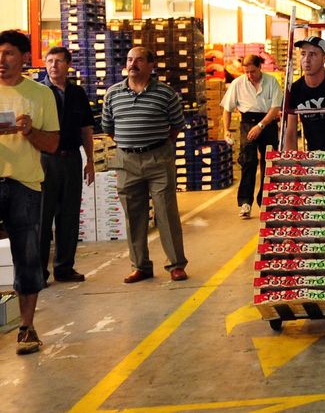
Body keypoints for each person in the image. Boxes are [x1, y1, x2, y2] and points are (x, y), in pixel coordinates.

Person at [102, 47, 187, 284]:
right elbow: (108, 128)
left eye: (139, 60)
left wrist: (159, 146)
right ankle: (140, 265)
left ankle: (176, 264)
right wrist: (130, 145)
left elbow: (176, 125)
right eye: (130, 59)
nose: (133, 64)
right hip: (126, 160)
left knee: (166, 213)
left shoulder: (165, 93)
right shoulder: (113, 94)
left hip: (158, 158)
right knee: (133, 214)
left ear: (151, 65)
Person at [0, 30, 60, 355]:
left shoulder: (40, 95)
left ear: (24, 57)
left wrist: (29, 130)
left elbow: (52, 144)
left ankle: (27, 327)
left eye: (9, 53)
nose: (1, 60)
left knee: (27, 257)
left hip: (24, 185)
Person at [38, 46, 95, 282]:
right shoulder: (38, 92)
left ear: (68, 64)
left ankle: (64, 268)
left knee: (69, 215)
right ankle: (38, 272)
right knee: (42, 217)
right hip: (44, 161)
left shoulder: (78, 93)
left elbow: (86, 129)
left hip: (71, 158)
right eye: (49, 61)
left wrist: (90, 160)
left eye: (59, 61)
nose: (53, 65)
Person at [220, 54, 283, 219]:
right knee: (248, 161)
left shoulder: (271, 82)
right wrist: (226, 130)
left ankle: (266, 201)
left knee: (269, 163)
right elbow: (227, 109)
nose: (249, 75)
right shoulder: (237, 84)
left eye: (253, 71)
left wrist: (261, 125)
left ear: (260, 67)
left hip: (267, 122)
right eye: (246, 72)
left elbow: (276, 107)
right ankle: (245, 202)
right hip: (247, 122)